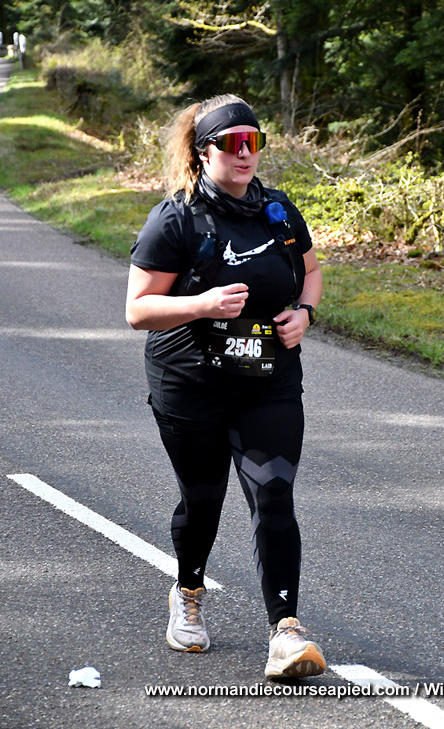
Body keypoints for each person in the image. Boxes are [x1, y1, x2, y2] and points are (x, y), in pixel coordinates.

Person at [126, 94, 326, 678]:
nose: (245, 153)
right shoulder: (175, 219)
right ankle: (188, 591)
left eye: (254, 142)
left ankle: (285, 632)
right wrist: (202, 304)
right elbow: (138, 310)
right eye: (232, 144)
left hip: (268, 378)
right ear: (203, 151)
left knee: (273, 494)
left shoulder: (279, 212)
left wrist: (305, 314)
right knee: (204, 498)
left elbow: (312, 272)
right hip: (190, 381)